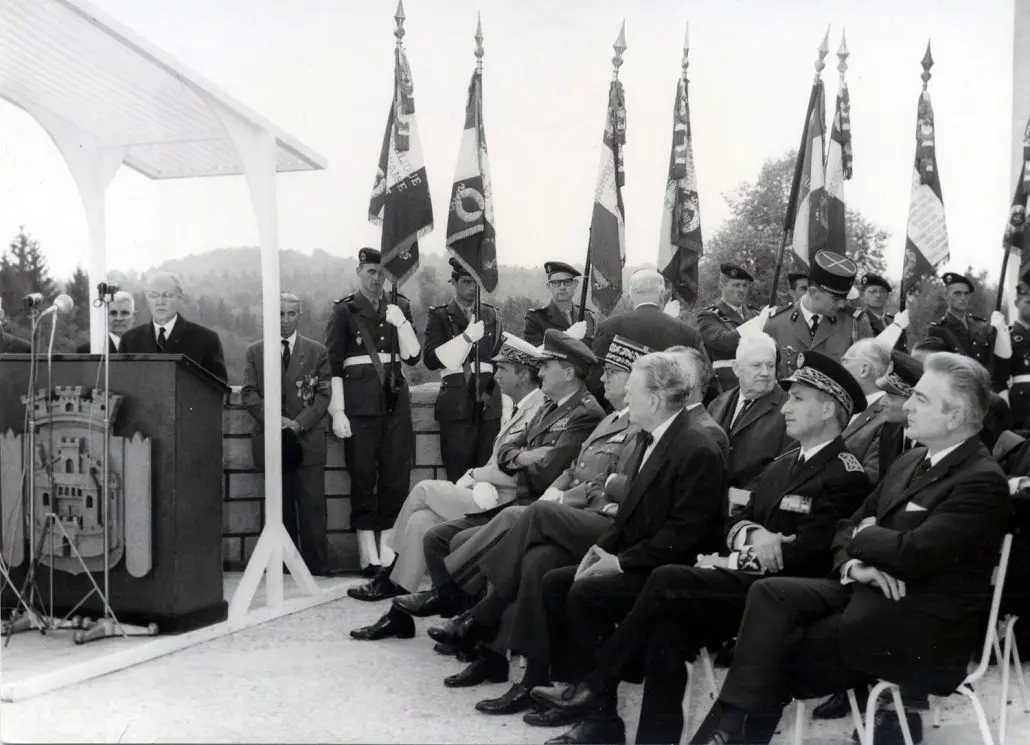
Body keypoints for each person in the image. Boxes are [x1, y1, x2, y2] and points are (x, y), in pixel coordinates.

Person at [531, 350, 872, 745]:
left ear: (828, 409)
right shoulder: (783, 465)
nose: (786, 408)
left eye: (798, 399)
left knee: (667, 579)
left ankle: (597, 682)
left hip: (778, 600)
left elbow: (811, 555)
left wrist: (754, 549)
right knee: (665, 629)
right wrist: (753, 537)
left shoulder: (847, 476)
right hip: (737, 584)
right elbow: (730, 520)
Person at [689, 352, 1010, 745]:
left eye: (922, 399)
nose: (907, 403)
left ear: (956, 416)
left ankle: (727, 734)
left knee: (772, 650)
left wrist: (867, 534)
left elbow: (912, 552)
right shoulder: (910, 461)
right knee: (769, 595)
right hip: (866, 594)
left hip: (920, 630)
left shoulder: (981, 479)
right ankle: (730, 729)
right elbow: (845, 529)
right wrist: (855, 566)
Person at [430, 351, 728, 719]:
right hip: (625, 541)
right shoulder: (656, 435)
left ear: (653, 399)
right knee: (544, 564)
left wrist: (615, 560)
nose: (621, 396)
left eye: (631, 389)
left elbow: (683, 534)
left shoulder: (695, 445)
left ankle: (484, 617)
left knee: (552, 541)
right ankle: (563, 689)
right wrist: (603, 551)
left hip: (663, 568)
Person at [349, 331, 604, 640]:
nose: (495, 376)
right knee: (422, 521)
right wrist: (515, 460)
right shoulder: (543, 405)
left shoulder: (556, 406)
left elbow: (541, 468)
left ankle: (395, 580)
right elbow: (510, 453)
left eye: (503, 369)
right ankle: (399, 614)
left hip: (507, 497)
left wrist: (482, 474)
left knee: (423, 491)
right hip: (498, 492)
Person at [395, 335, 651, 624]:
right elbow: (508, 449)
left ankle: (464, 613)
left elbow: (550, 469)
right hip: (531, 501)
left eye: (546, 367)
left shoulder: (588, 413)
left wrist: (525, 465)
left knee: (461, 533)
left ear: (568, 373)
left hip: (545, 505)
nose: (538, 373)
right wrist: (524, 457)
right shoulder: (553, 407)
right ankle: (458, 611)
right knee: (436, 535)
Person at [324, 247, 422, 575]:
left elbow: (412, 357)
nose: (377, 279)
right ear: (359, 271)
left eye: (382, 273)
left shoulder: (400, 305)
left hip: (395, 404)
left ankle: (389, 552)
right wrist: (338, 410)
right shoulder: (344, 311)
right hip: (359, 405)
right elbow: (333, 365)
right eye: (371, 272)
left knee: (396, 476)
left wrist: (402, 322)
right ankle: (368, 554)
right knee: (363, 476)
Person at [241, 292, 333, 575]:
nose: (285, 320)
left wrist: (297, 423)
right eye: (279, 314)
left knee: (312, 506)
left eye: (291, 314)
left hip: (306, 440)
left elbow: (323, 394)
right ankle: (281, 568)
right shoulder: (256, 351)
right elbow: (248, 393)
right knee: (278, 506)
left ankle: (317, 567)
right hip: (271, 439)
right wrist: (275, 420)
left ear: (299, 315)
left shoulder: (317, 351)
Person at [423, 257, 503, 481]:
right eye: (467, 282)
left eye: (476, 283)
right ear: (454, 282)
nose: (472, 288)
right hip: (457, 403)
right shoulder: (440, 316)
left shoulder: (492, 315)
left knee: (488, 477)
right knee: (459, 476)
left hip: (489, 404)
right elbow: (429, 359)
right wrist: (465, 338)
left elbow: (500, 358)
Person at [588, 269, 711, 406]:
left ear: (629, 297)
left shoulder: (609, 326)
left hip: (621, 410)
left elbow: (596, 378)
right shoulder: (688, 332)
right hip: (670, 412)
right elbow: (702, 378)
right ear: (662, 295)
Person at [764, 250, 872, 378]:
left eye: (844, 300)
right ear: (814, 293)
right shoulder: (776, 323)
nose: (842, 305)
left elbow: (867, 376)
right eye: (835, 300)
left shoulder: (855, 323)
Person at [706, 333, 792, 488]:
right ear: (736, 368)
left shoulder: (789, 410)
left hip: (750, 505)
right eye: (757, 365)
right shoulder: (717, 404)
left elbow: (781, 473)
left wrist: (736, 500)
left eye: (770, 365)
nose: (765, 373)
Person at [120, 272, 227, 383]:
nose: (160, 302)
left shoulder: (206, 340)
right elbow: (122, 386)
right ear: (147, 299)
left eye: (168, 295)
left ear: (180, 298)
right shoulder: (129, 340)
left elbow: (218, 391)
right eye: (154, 295)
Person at [925, 272, 1011, 392]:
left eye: (966, 294)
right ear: (946, 295)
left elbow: (995, 360)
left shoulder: (982, 325)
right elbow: (937, 370)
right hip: (957, 392)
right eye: (957, 293)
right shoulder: (938, 330)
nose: (963, 298)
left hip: (985, 391)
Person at [839, 339, 896, 481]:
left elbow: (870, 478)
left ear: (864, 369)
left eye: (845, 361)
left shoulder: (886, 418)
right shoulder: (843, 405)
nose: (840, 368)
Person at [697, 263, 760, 391]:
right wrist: (757, 323)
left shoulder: (755, 314)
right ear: (722, 286)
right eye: (736, 285)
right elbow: (724, 342)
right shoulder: (708, 316)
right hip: (728, 387)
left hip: (757, 382)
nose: (741, 290)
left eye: (745, 285)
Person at [524, 262, 596, 347]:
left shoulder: (588, 317)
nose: (562, 287)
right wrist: (568, 337)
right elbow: (534, 354)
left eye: (567, 282)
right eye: (556, 282)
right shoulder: (536, 318)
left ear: (575, 284)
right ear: (549, 286)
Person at [853, 274, 905, 351]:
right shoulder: (859, 320)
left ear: (887, 295)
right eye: (873, 291)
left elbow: (902, 350)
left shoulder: (893, 321)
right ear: (862, 295)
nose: (878, 295)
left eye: (882, 291)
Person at [1009, 282, 1030, 431]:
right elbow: (999, 380)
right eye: (1028, 302)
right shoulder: (1006, 336)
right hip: (1021, 406)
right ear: (1016, 303)